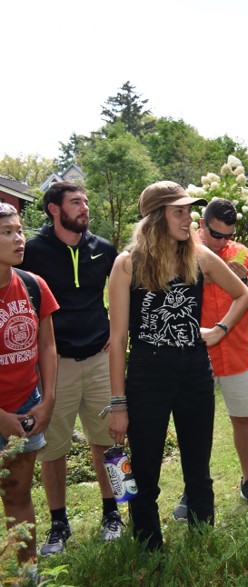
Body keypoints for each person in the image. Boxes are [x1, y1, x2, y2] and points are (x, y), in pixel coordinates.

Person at [107, 181, 248, 550]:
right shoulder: (127, 264)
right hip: (147, 372)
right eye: (180, 211)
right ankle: (148, 547)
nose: (189, 219)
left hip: (194, 370)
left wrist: (219, 330)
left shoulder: (199, 256)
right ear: (157, 217)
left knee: (198, 467)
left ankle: (202, 540)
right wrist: (119, 403)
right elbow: (118, 338)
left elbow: (243, 294)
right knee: (145, 468)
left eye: (189, 211)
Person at [17, 182, 122, 556]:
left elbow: (127, 288)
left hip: (98, 360)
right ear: (53, 210)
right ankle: (59, 524)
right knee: (53, 449)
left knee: (107, 441)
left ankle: (114, 513)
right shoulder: (32, 252)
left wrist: (119, 327)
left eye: (86, 202)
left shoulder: (103, 248)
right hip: (53, 365)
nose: (85, 208)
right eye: (76, 202)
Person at [171, 198, 248, 521]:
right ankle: (192, 487)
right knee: (195, 423)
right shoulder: (182, 254)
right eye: (216, 234)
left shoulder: (243, 256)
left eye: (228, 235)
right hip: (195, 353)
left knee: (242, 417)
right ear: (202, 225)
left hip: (238, 351)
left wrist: (239, 279)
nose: (222, 242)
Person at [0, 202, 59, 563]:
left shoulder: (33, 285)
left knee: (18, 495)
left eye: (19, 230)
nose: (19, 239)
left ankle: (27, 575)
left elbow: (47, 344)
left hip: (26, 408)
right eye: (7, 232)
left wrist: (48, 399)